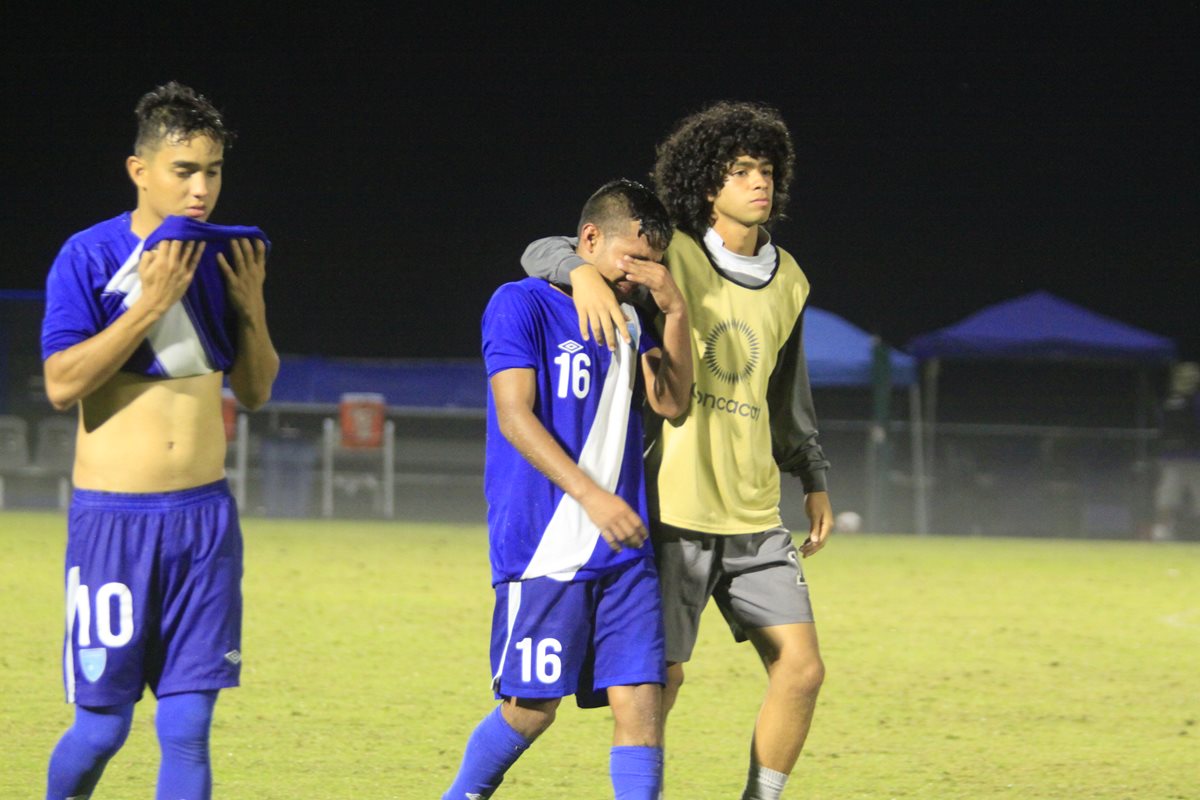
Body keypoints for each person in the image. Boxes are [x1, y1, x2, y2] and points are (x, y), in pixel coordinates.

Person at [521, 101, 832, 800]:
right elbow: (544, 248)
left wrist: (811, 473)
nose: (761, 184)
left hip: (755, 514)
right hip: (674, 510)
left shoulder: (792, 281)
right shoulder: (675, 252)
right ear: (707, 183)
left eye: (767, 171)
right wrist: (581, 273)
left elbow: (786, 394)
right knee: (658, 679)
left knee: (802, 669)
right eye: (742, 171)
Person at [41, 81, 279, 800]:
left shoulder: (224, 257)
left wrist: (253, 308)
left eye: (212, 170)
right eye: (185, 171)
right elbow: (61, 384)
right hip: (113, 524)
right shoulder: (88, 257)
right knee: (102, 730)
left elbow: (259, 391)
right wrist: (148, 306)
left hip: (204, 522)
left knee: (186, 729)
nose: (202, 187)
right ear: (139, 170)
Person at [442, 179, 693, 800]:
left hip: (623, 548)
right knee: (532, 709)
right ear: (588, 240)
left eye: (654, 260)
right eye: (634, 256)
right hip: (546, 544)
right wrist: (592, 496)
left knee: (641, 699)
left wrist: (678, 312)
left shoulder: (634, 318)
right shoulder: (519, 303)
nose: (643, 272)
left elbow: (673, 400)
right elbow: (514, 417)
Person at [1153, 361, 1200, 541]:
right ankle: (1163, 531)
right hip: (1196, 457)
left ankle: (1162, 532)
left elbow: (1161, 426)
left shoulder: (1167, 401)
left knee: (1167, 496)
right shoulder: (1196, 400)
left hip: (1171, 456)